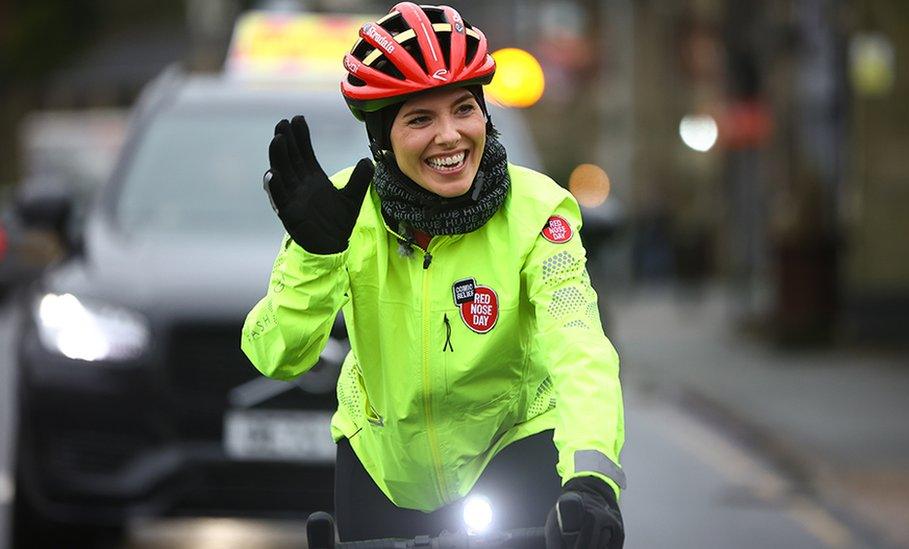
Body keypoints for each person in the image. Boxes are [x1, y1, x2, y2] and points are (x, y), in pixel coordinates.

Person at [241, 3, 625, 547]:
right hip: (383, 470)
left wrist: (593, 478)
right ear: (382, 138)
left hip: (512, 447)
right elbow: (275, 356)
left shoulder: (540, 211)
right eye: (420, 118)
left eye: (463, 109)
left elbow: (580, 346)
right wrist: (316, 256)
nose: (450, 136)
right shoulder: (342, 212)